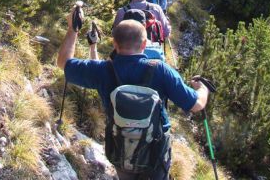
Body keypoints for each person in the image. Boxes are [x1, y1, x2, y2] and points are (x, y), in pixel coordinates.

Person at [57, 10, 209, 179]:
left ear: (115, 44)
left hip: (120, 147)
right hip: (156, 152)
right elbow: (196, 104)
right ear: (144, 44)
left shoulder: (102, 70)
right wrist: (203, 89)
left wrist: (73, 28)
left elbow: (63, 62)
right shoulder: (160, 70)